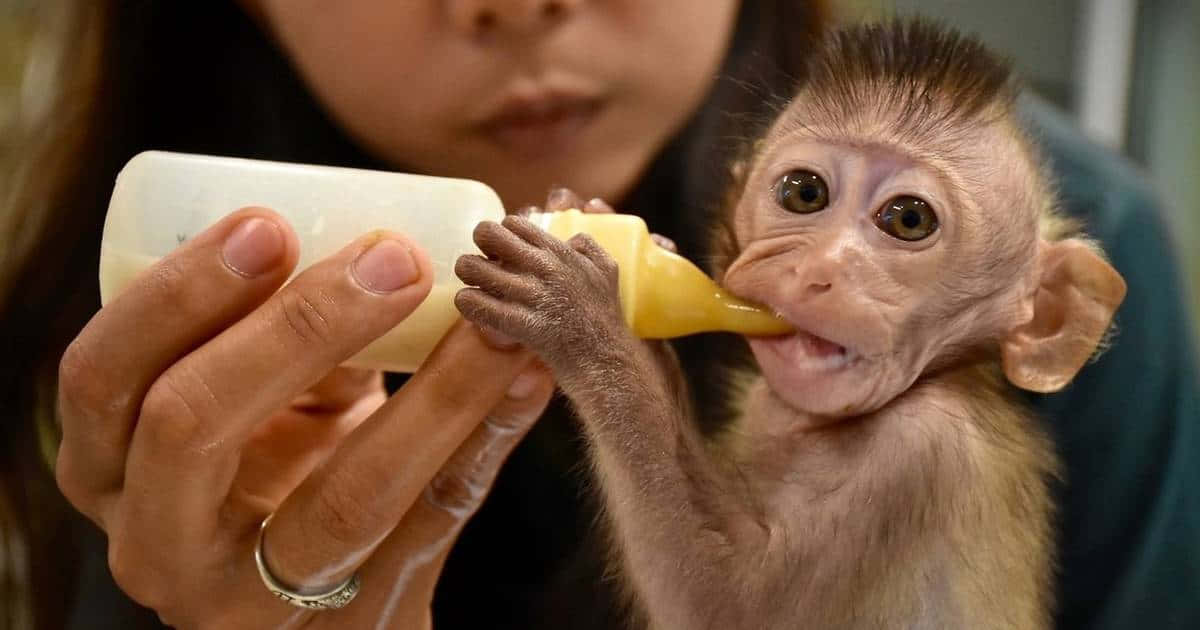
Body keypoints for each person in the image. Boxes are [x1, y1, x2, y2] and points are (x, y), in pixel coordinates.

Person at [0, 2, 1194, 629]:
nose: (519, 5)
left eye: (910, 225)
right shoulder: (153, 297)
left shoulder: (1043, 243)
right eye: (802, 194)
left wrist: (608, 363)